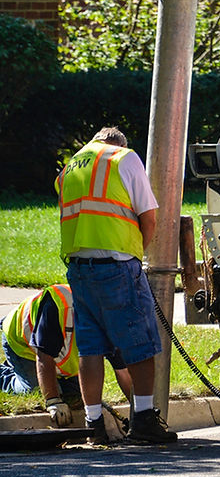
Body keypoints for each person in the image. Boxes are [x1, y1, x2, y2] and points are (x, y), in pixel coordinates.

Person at [56, 126, 177, 444]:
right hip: (118, 266)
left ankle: (94, 425)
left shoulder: (68, 169)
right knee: (140, 343)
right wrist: (137, 254)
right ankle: (144, 422)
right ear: (117, 142)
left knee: (91, 347)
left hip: (79, 270)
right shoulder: (124, 158)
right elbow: (148, 216)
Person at [0, 284, 133, 428]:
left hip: (55, 354)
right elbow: (44, 357)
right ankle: (4, 374)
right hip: (23, 344)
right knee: (36, 390)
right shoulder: (59, 306)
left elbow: (122, 370)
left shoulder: (109, 320)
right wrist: (53, 401)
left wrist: (138, 410)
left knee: (77, 391)